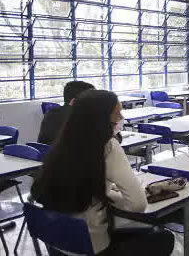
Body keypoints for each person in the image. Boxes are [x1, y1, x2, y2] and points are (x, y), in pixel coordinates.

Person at [31, 90, 174, 256]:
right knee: (164, 238)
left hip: (57, 244)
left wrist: (106, 194)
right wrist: (119, 196)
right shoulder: (108, 146)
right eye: (117, 114)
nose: (121, 118)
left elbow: (85, 190)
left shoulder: (62, 144)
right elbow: (138, 205)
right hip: (91, 247)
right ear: (100, 118)